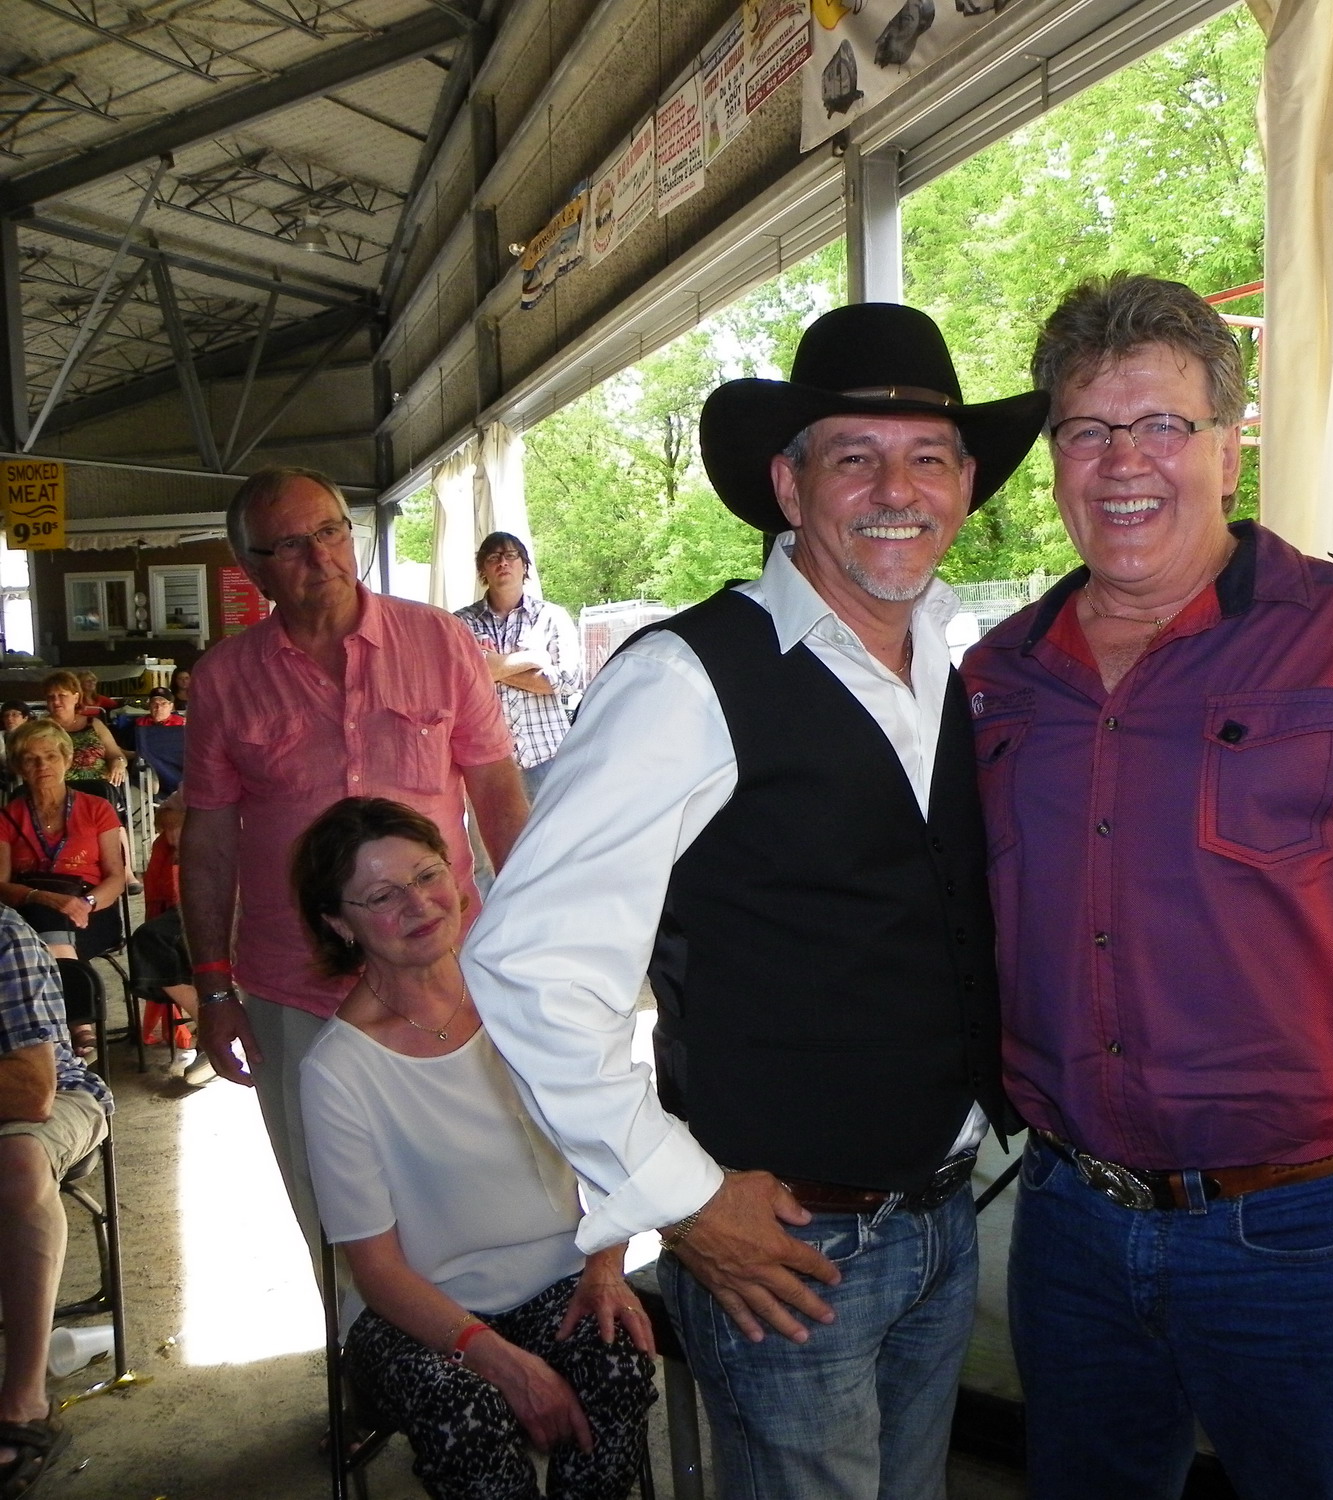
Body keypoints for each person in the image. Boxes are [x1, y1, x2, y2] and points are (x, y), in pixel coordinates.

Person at [961, 274, 1333, 1499]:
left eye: (1161, 424)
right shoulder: (999, 676)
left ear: (1227, 448)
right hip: (1067, 1222)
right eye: (1085, 430)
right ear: (1053, 461)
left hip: (1296, 1236)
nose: (1121, 462)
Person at [466, 303, 1046, 1500]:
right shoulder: (684, 679)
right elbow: (527, 961)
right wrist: (680, 1199)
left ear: (964, 485)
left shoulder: (948, 661)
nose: (896, 490)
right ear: (788, 484)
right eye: (854, 457)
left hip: (942, 1219)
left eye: (928, 458)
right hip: (785, 1244)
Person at [180, 465, 528, 1264]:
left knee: (485, 1190)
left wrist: (536, 937)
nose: (321, 557)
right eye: (290, 546)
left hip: (447, 976)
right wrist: (213, 987)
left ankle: (491, 1338)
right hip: (295, 988)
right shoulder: (224, 679)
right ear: (251, 568)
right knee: (338, 1223)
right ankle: (367, 1347)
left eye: (331, 531)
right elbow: (210, 841)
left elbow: (499, 796)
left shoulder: (439, 641)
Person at [296, 797, 657, 1500]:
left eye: (427, 875)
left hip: (560, 1278)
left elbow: (615, 1147)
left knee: (617, 1366)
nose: (418, 904)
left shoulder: (525, 996)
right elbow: (377, 1272)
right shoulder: (337, 1071)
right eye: (382, 896)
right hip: (419, 1312)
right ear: (339, 923)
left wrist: (607, 1264)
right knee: (466, 1412)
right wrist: (499, 1361)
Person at [0, 903, 109, 1499]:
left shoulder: (5, 935)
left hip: (56, 1097)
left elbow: (31, 1091)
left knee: (16, 1167)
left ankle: (25, 1402)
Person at [0, 720, 130, 1060]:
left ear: (67, 760)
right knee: (43, 918)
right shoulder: (8, 816)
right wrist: (44, 897)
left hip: (93, 912)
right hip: (30, 910)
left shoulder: (97, 808)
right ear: (19, 767)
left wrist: (85, 903)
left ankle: (56, 1035)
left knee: (43, 930)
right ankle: (79, 1027)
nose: (42, 765)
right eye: (31, 759)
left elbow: (116, 877)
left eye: (50, 756)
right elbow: (1, 885)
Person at [453, 532, 580, 802]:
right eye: (493, 557)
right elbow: (459, 679)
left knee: (556, 831)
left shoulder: (551, 616)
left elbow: (568, 680)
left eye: (511, 555)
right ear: (483, 569)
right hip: (487, 764)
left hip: (548, 757)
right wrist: (535, 657)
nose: (503, 562)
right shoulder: (461, 623)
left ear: (525, 565)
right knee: (492, 833)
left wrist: (492, 666)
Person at [130, 792, 206, 1083]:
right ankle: (209, 1026)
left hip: (230, 899)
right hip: (188, 903)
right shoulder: (198, 781)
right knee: (153, 943)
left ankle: (212, 1030)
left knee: (155, 942)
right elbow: (168, 811)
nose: (170, 835)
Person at [39, 672, 125, 800]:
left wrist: (119, 762)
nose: (56, 701)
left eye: (62, 695)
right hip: (56, 791)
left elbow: (116, 754)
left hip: (98, 790)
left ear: (76, 697)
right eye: (51, 697)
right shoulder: (40, 729)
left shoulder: (94, 724)